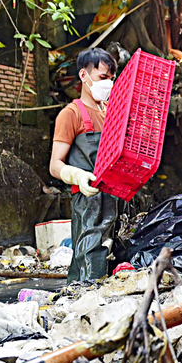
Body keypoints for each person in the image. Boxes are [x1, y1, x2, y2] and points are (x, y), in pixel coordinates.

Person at [48, 48, 118, 282]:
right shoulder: (70, 114)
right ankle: (79, 303)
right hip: (86, 200)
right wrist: (77, 175)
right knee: (88, 257)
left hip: (113, 198)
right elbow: (54, 165)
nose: (108, 83)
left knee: (112, 256)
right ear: (83, 76)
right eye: (102, 78)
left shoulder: (111, 113)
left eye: (111, 78)